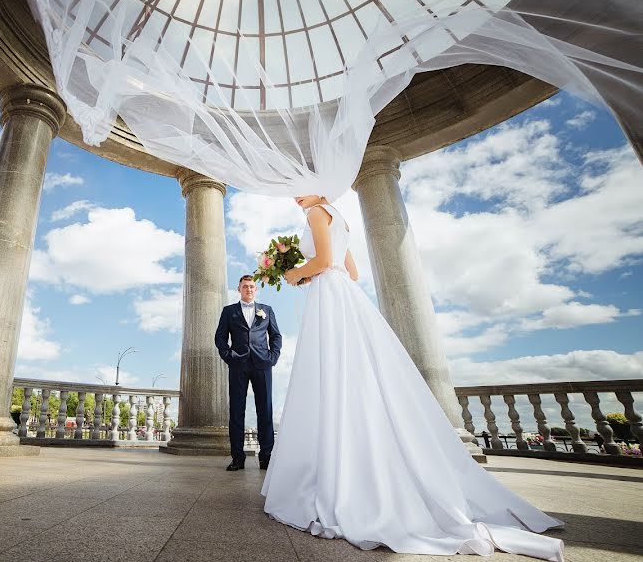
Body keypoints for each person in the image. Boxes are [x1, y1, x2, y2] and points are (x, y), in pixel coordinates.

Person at [261, 196, 564, 561]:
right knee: (355, 376)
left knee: (332, 376)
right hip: (346, 296)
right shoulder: (339, 217)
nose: (296, 194)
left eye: (301, 185)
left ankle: (340, 477)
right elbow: (352, 272)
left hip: (329, 296)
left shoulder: (314, 212)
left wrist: (295, 273)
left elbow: (325, 262)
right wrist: (311, 268)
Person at [215, 275, 282, 471]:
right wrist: (229, 356)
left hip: (263, 364)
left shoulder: (267, 310)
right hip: (238, 365)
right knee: (236, 411)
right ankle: (237, 457)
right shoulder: (229, 311)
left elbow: (276, 335)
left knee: (265, 411)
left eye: (252, 286)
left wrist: (273, 357)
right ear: (239, 289)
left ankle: (266, 457)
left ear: (256, 289)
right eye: (245, 287)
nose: (249, 289)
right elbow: (220, 337)